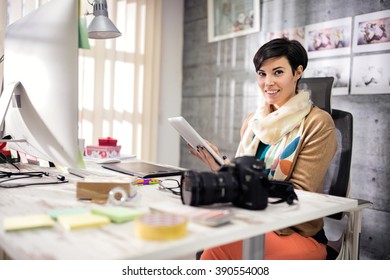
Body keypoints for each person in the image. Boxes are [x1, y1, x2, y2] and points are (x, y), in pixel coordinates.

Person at [188, 37, 337, 260]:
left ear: (297, 73)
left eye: (278, 72)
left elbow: (298, 195)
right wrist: (221, 166)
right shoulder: (253, 122)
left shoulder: (318, 123)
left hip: (294, 231)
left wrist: (237, 182)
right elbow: (246, 177)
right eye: (262, 73)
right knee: (201, 227)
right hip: (253, 220)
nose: (268, 82)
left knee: (220, 246)